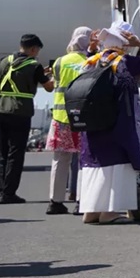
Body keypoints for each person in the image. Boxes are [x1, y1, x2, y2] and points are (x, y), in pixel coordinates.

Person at [78, 22, 140, 224]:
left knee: (96, 166)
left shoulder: (91, 61)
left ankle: (91, 211)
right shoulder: (126, 62)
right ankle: (109, 212)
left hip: (91, 127)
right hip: (118, 124)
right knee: (119, 164)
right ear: (125, 42)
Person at [0, 34, 54, 204]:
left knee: (3, 152)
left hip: (1, 108)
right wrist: (52, 77)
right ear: (34, 49)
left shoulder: (5, 60)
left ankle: (1, 190)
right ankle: (9, 193)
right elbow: (49, 88)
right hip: (20, 111)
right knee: (16, 152)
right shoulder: (35, 65)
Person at [45, 27, 98, 214]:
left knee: (60, 160)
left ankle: (55, 201)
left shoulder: (59, 62)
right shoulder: (91, 62)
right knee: (84, 159)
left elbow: (54, 84)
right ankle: (81, 201)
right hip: (82, 117)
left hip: (60, 118)